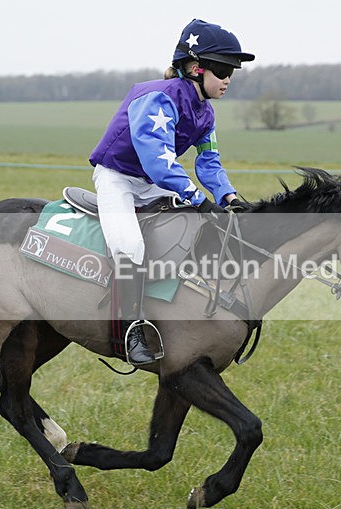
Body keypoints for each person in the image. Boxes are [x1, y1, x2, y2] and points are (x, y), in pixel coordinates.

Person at [89, 19, 254, 365]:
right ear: (196, 68)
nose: (228, 80)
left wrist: (229, 198)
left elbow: (209, 163)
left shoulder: (205, 114)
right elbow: (159, 162)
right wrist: (198, 200)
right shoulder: (156, 97)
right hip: (117, 180)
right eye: (223, 70)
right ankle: (131, 331)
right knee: (131, 246)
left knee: (189, 230)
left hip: (150, 186)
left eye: (232, 72)